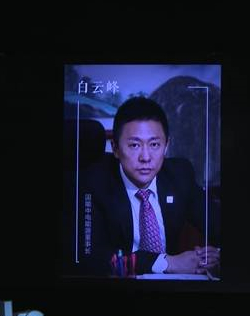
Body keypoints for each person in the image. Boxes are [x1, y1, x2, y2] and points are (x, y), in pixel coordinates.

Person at [79, 97, 220, 276]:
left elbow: (217, 224)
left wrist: (214, 255)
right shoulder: (93, 182)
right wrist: (167, 263)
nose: (145, 157)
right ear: (115, 148)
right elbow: (91, 257)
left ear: (166, 145)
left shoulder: (179, 175)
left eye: (154, 144)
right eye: (134, 145)